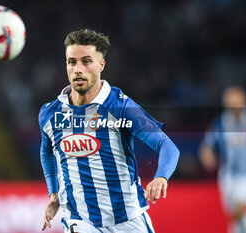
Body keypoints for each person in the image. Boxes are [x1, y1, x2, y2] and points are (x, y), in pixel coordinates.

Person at [39, 29, 180, 233]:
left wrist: (161, 177)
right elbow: (47, 151)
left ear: (101, 65)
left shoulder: (120, 107)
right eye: (72, 62)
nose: (78, 69)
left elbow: (166, 145)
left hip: (127, 220)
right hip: (80, 220)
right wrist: (54, 193)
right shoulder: (50, 114)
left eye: (86, 61)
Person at [199, 86, 246, 233]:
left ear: (244, 100)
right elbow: (207, 146)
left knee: (241, 208)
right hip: (228, 176)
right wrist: (207, 156)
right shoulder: (220, 123)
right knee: (237, 215)